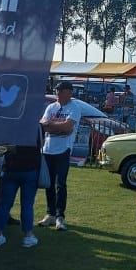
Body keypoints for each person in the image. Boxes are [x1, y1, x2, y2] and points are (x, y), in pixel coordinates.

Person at [38, 81, 82, 231]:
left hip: (63, 149)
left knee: (60, 184)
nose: (57, 93)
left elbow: (68, 127)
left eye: (61, 91)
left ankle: (60, 217)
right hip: (48, 149)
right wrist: (58, 126)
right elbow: (43, 124)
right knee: (48, 183)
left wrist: (51, 125)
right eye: (57, 91)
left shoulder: (74, 108)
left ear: (69, 92)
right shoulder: (51, 107)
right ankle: (50, 214)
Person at [0, 133, 41, 248]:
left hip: (10, 169)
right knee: (27, 204)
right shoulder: (36, 127)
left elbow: (3, 145)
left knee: (4, 204)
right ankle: (28, 236)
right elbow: (40, 145)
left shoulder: (11, 126)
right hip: (30, 170)